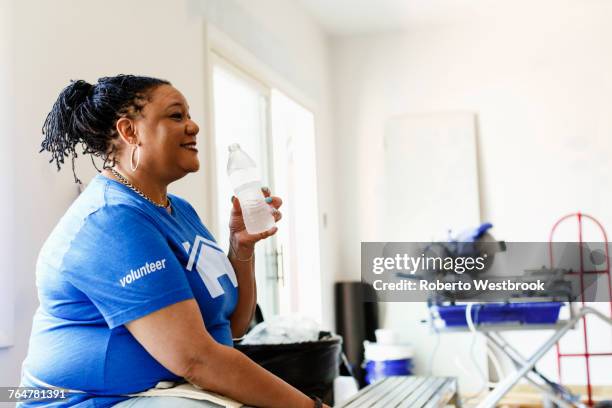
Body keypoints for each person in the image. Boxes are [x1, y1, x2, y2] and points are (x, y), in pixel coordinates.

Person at [20, 75, 328, 408]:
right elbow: (196, 359)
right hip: (90, 401)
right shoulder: (111, 219)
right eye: (176, 115)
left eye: (189, 115)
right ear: (129, 131)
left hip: (170, 391)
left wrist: (241, 246)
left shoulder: (178, 211)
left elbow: (233, 325)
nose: (193, 126)